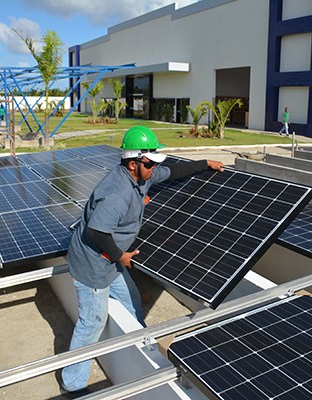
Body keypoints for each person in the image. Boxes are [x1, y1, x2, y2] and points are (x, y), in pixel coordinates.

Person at [61, 126, 224, 394]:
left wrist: (205, 164)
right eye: (149, 164)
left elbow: (171, 172)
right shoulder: (117, 192)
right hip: (92, 264)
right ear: (133, 162)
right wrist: (120, 256)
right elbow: (96, 231)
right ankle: (73, 384)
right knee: (92, 323)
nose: (153, 168)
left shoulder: (141, 175)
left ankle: (141, 346)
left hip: (108, 261)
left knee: (132, 299)